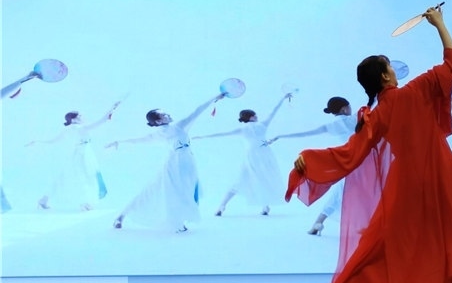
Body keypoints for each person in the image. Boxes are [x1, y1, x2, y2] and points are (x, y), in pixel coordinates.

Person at [285, 6, 452, 283]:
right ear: (386, 76)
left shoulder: (379, 113)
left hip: (409, 178)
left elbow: (351, 152)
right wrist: (439, 24)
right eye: (390, 66)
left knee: (392, 237)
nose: (394, 70)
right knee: (441, 234)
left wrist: (309, 159)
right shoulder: (415, 91)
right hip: (439, 173)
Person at [107, 93, 223, 232]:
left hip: (187, 162)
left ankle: (179, 221)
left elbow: (197, 111)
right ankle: (122, 216)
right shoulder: (158, 134)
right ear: (157, 122)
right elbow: (138, 140)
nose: (168, 114)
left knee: (186, 191)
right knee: (154, 191)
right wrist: (119, 142)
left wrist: (215, 98)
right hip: (174, 165)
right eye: (163, 115)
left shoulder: (179, 126)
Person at [193, 92, 292, 217]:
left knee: (241, 180)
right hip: (264, 156)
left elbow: (222, 134)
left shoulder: (244, 129)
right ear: (251, 117)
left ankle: (223, 205)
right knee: (263, 179)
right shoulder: (261, 125)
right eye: (255, 115)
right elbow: (273, 111)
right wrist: (283, 98)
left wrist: (202, 136)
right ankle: (264, 206)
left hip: (253, 156)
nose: (257, 116)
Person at [267, 96, 355, 235]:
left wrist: (281, 136)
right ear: (344, 109)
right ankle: (366, 224)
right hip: (361, 161)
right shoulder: (354, 119)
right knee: (361, 192)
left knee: (338, 194)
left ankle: (318, 223)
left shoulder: (331, 126)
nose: (351, 109)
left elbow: (305, 133)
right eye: (349, 106)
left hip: (346, 163)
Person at [27, 102, 122, 211]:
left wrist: (38, 142)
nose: (82, 117)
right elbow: (99, 122)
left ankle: (44, 200)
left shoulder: (69, 128)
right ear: (73, 119)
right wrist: (111, 110)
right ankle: (85, 203)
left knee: (65, 178)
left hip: (79, 153)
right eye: (79, 116)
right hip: (84, 154)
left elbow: (53, 141)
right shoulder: (79, 128)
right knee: (86, 177)